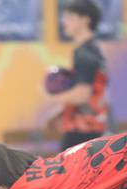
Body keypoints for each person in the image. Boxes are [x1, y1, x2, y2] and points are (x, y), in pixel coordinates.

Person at [48, 0, 108, 151]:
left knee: (65, 173)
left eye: (70, 17)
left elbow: (82, 95)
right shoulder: (93, 50)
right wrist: (60, 112)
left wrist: (51, 97)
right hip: (91, 127)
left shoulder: (84, 54)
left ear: (85, 19)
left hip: (82, 129)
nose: (64, 22)